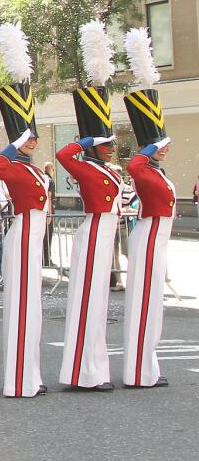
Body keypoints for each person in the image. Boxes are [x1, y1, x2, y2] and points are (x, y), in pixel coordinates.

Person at [56, 22, 121, 393]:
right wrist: (89, 137)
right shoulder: (83, 163)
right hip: (94, 228)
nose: (111, 148)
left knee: (99, 303)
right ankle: (84, 372)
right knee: (88, 301)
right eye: (106, 144)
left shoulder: (108, 168)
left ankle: (96, 370)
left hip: (108, 231)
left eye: (112, 144)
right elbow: (65, 152)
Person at [0, 29, 51, 398]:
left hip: (36, 232)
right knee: (23, 306)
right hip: (24, 231)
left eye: (33, 139)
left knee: (34, 308)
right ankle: (20, 379)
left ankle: (30, 376)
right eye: (27, 140)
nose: (32, 144)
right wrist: (12, 143)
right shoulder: (13, 165)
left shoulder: (33, 168)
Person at [121, 27, 175, 389]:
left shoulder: (157, 169)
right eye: (161, 144)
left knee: (152, 304)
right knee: (142, 304)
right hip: (149, 231)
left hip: (159, 235)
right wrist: (149, 145)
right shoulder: (143, 165)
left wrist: (155, 150)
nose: (165, 150)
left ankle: (148, 369)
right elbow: (133, 166)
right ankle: (139, 372)